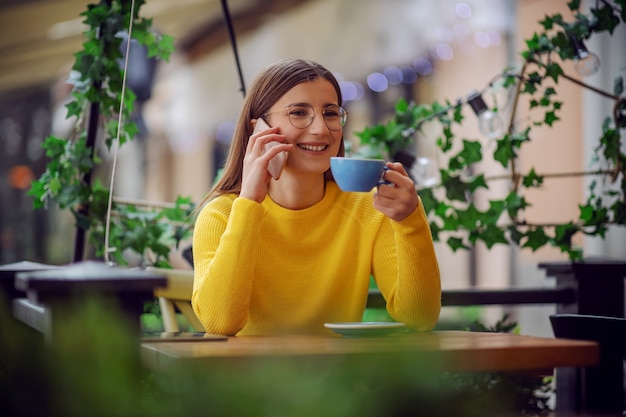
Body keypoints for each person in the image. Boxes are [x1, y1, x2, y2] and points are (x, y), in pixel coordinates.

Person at [191, 58, 441, 336]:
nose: (321, 129)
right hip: (249, 379)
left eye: (331, 113)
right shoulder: (220, 216)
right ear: (258, 130)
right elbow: (219, 323)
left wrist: (410, 220)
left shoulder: (369, 209)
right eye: (299, 112)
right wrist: (248, 204)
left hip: (341, 379)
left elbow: (419, 318)